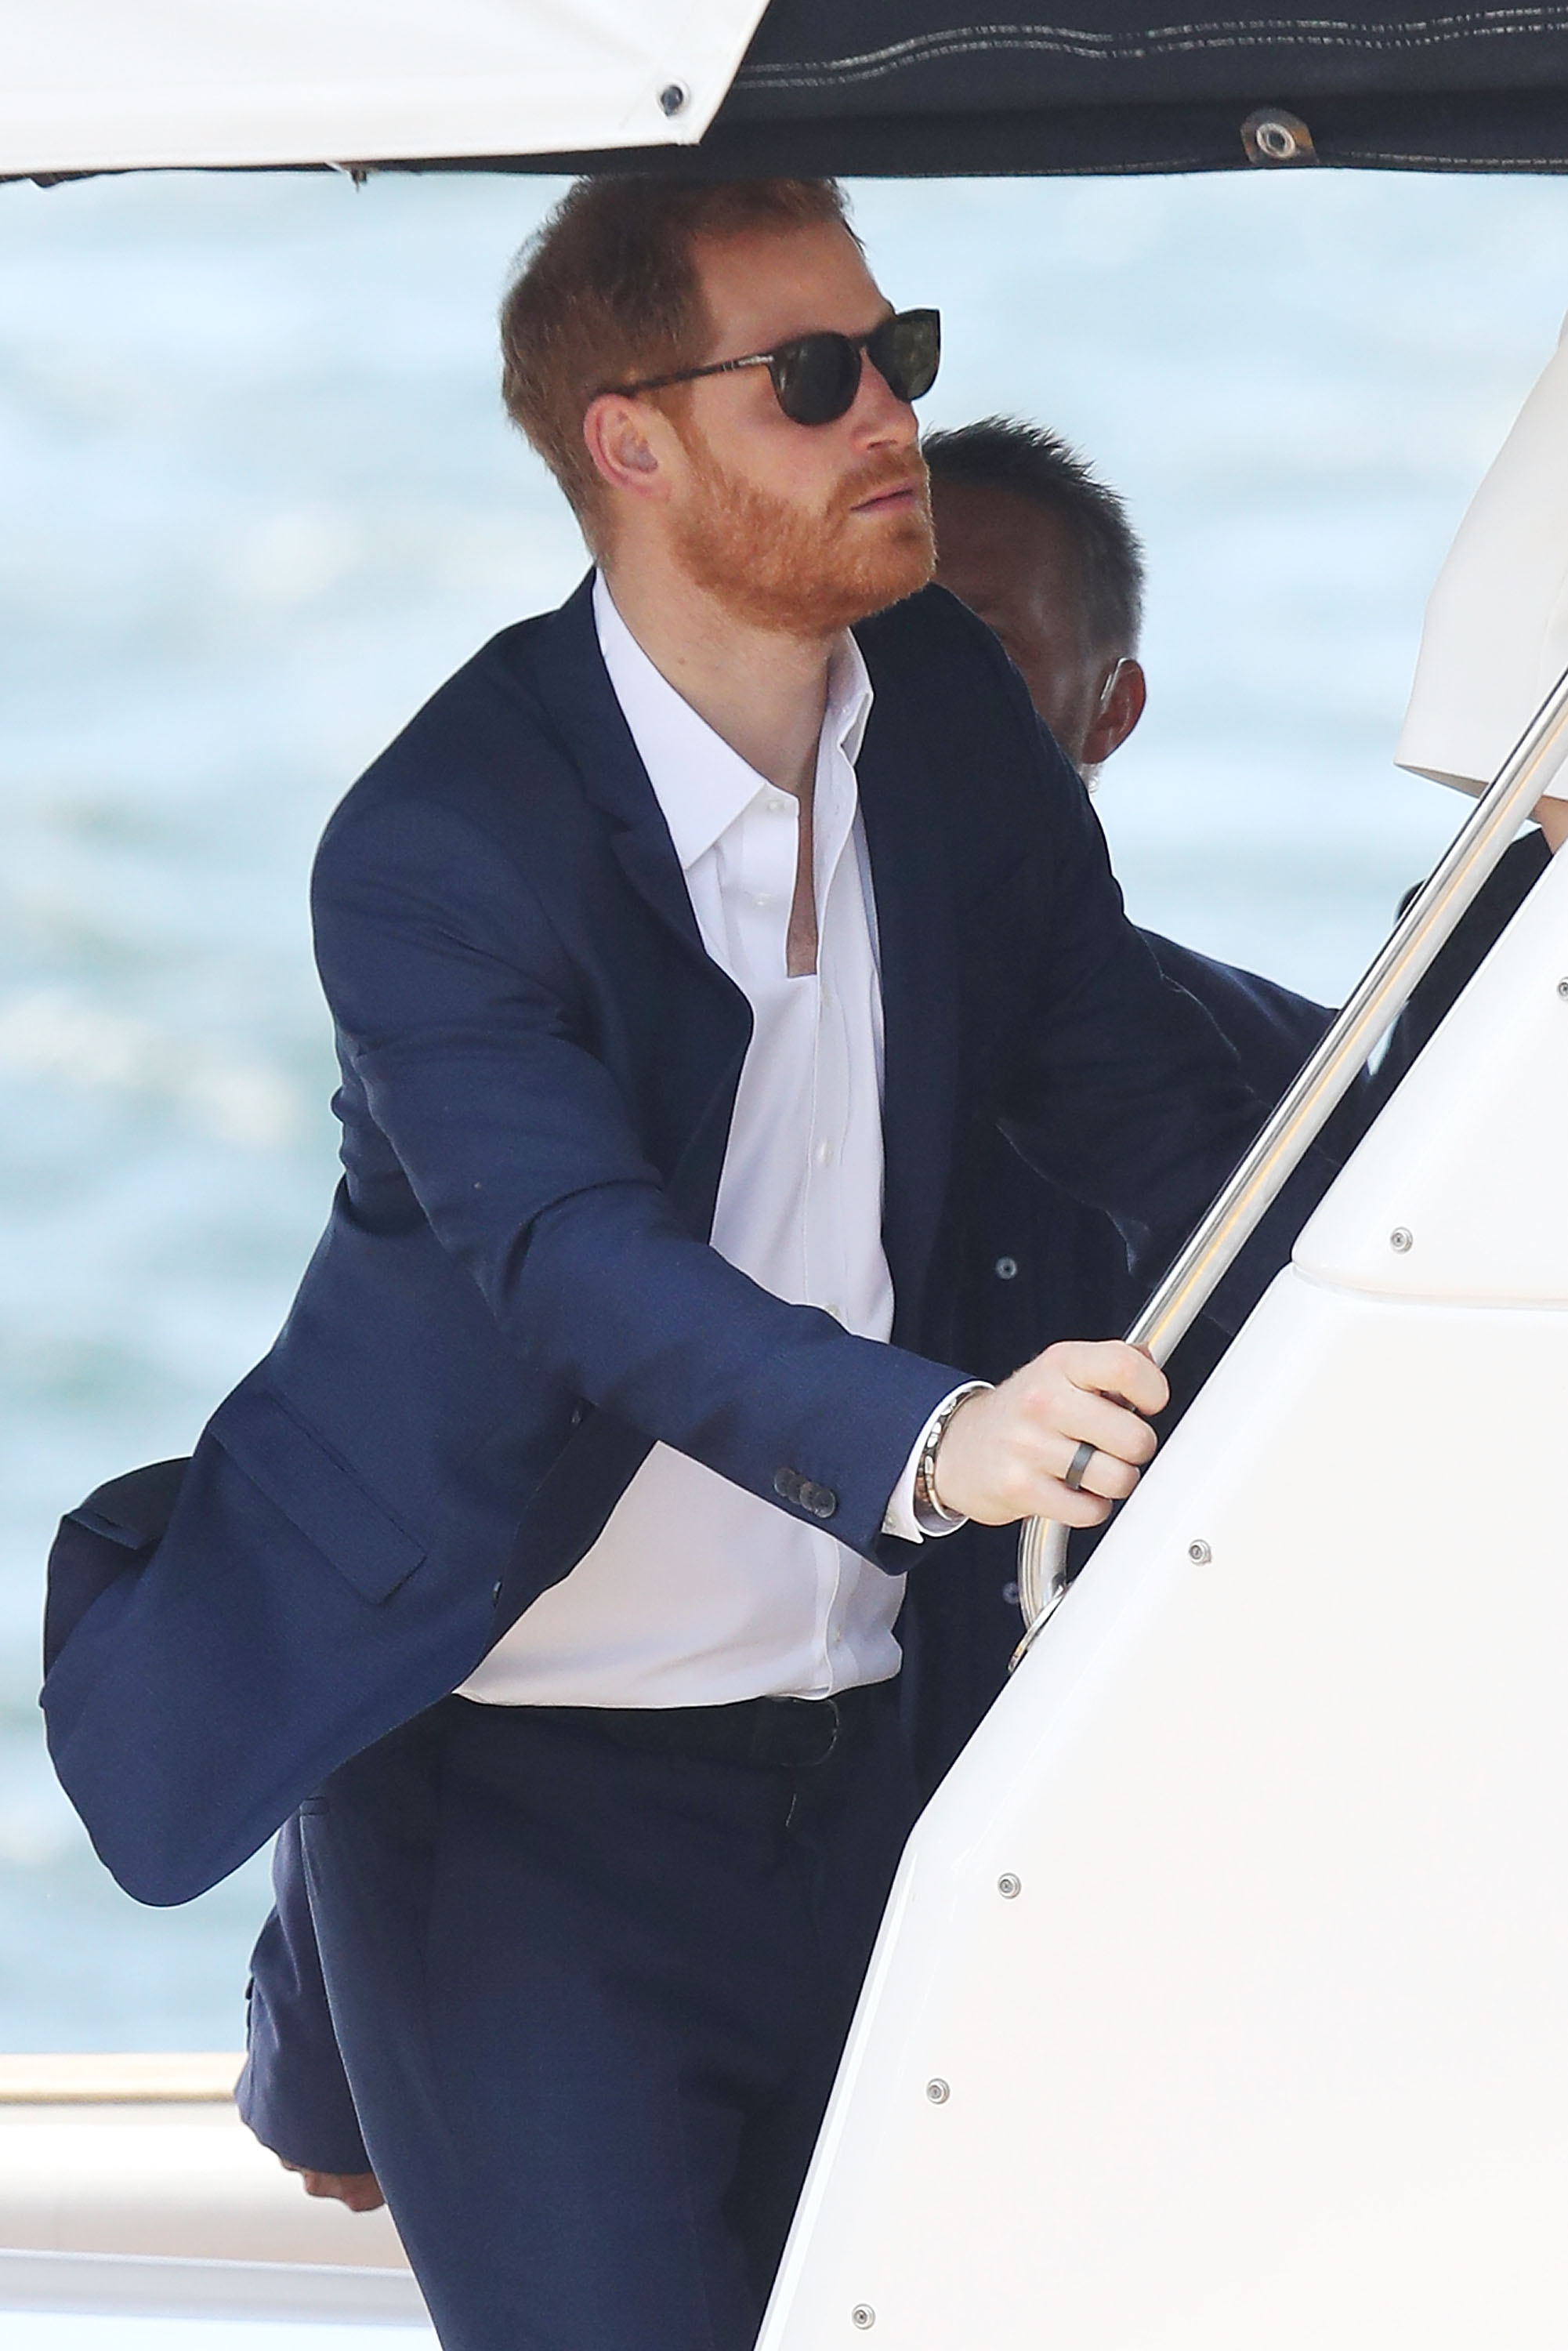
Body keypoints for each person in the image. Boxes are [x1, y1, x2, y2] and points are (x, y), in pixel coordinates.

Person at [44, 176, 1326, 2351]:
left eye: (895, 354)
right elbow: (578, 1269)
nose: (889, 417)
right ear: (629, 443)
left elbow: (1151, 1102)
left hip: (874, 1774)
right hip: (516, 1805)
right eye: (815, 379)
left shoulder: (936, 709)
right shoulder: (446, 840)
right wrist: (945, 1438)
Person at [900, 419, 1340, 1790]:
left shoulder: (1302, 1085)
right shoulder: (675, 1066)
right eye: (862, 645)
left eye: (970, 649)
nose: (904, 697)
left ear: (1113, 708)